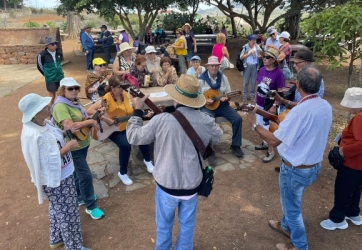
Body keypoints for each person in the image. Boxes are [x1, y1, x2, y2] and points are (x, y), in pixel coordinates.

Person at [126, 75, 223, 250]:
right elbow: (218, 136)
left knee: (164, 227)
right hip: (192, 184)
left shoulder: (161, 120)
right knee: (187, 227)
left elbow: (134, 136)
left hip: (166, 184)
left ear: (176, 97)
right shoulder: (206, 120)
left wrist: (137, 111)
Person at [246, 66, 332, 250]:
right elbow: (302, 107)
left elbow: (272, 140)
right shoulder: (325, 105)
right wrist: (283, 101)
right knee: (292, 200)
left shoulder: (300, 113)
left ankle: (300, 246)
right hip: (312, 166)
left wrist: (254, 124)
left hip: (295, 169)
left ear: (298, 84)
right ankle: (285, 226)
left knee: (292, 209)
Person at [18, 93, 91, 250]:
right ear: (35, 113)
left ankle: (56, 238)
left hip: (62, 175)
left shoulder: (42, 123)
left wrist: (66, 131)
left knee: (58, 208)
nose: (49, 107)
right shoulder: (35, 134)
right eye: (45, 107)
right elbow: (49, 159)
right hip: (57, 180)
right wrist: (69, 146)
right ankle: (74, 247)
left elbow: (54, 140)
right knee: (69, 213)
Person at [320, 87, 362, 231]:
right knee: (355, 187)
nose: (346, 107)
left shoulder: (361, 118)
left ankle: (337, 219)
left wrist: (343, 150)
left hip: (357, 163)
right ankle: (353, 213)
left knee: (343, 189)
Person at [52, 77, 105, 220]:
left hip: (83, 143)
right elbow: (71, 126)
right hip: (73, 147)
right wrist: (91, 121)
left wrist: (95, 114)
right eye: (70, 88)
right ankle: (91, 206)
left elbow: (81, 117)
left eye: (76, 88)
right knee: (85, 175)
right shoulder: (60, 106)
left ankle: (80, 197)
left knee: (77, 174)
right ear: (63, 90)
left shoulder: (74, 102)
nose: (74, 91)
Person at [87, 76, 154, 185]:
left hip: (128, 125)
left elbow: (136, 110)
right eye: (120, 87)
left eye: (123, 86)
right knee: (125, 145)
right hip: (112, 129)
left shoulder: (128, 96)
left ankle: (147, 160)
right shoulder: (106, 98)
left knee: (141, 135)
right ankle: (122, 173)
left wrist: (144, 114)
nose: (122, 89)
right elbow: (89, 110)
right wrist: (105, 118)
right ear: (113, 88)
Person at [198, 56, 244, 161]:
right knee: (207, 122)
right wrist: (205, 100)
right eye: (212, 66)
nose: (214, 68)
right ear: (208, 67)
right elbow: (196, 96)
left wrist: (226, 98)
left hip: (222, 106)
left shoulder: (224, 78)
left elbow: (228, 93)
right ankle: (209, 150)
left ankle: (236, 145)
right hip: (207, 107)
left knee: (237, 119)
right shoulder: (201, 79)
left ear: (219, 66)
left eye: (216, 66)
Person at [254, 48, 285, 163]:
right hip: (260, 103)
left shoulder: (279, 73)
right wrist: (255, 98)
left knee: (269, 128)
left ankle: (271, 151)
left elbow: (280, 91)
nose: (264, 59)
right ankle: (265, 143)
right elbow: (258, 84)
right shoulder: (262, 70)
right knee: (260, 125)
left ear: (273, 60)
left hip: (270, 104)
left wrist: (275, 105)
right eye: (264, 57)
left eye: (267, 57)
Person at [37, 36, 64, 106]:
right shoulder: (42, 55)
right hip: (50, 78)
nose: (55, 45)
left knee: (62, 94)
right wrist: (46, 74)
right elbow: (40, 66)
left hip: (60, 77)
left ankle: (60, 108)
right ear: (47, 45)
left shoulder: (59, 53)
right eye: (52, 44)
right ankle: (51, 110)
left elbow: (59, 63)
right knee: (52, 96)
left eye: (55, 43)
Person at [240, 34, 263, 102]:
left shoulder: (257, 46)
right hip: (247, 66)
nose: (254, 41)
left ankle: (252, 96)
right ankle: (245, 96)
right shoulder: (245, 47)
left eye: (255, 40)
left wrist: (259, 56)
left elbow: (261, 54)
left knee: (253, 82)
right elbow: (241, 57)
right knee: (246, 82)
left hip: (255, 66)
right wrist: (249, 54)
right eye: (253, 40)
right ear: (249, 40)